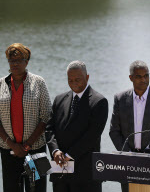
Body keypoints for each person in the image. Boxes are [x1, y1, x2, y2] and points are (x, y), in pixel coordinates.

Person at [0, 43, 51, 192]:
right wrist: (12, 145)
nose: (15, 64)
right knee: (12, 189)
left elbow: (46, 116)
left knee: (36, 189)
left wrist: (27, 145)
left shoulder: (38, 82)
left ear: (27, 62)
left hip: (35, 150)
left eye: (19, 60)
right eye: (11, 61)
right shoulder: (0, 84)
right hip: (9, 151)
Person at [46, 60, 108, 192]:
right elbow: (50, 129)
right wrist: (55, 151)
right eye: (70, 80)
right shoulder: (59, 99)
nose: (74, 83)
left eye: (77, 79)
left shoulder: (99, 102)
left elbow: (92, 135)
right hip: (60, 171)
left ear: (87, 77)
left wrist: (69, 155)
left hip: (85, 174)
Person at [109, 60, 150, 192]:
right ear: (131, 78)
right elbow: (114, 131)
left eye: (146, 75)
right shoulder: (120, 99)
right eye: (139, 76)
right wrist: (127, 154)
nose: (143, 80)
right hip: (127, 162)